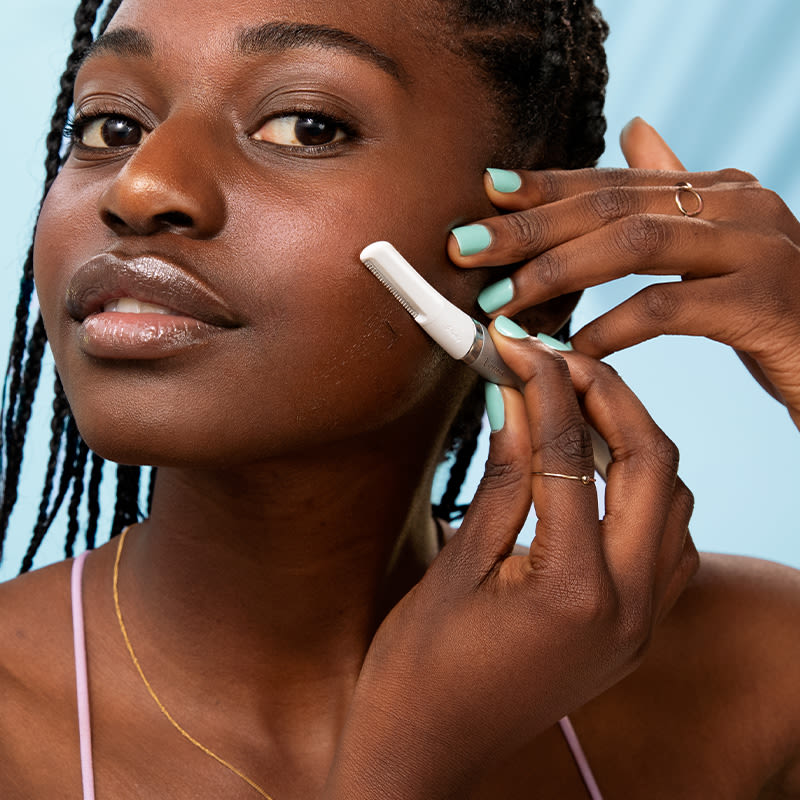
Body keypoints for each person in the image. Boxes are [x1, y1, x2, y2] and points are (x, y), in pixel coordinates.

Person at [0, 0, 799, 797]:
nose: (141, 185)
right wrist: (409, 764)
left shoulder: (756, 679)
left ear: (535, 261)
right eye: (108, 126)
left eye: (306, 125)